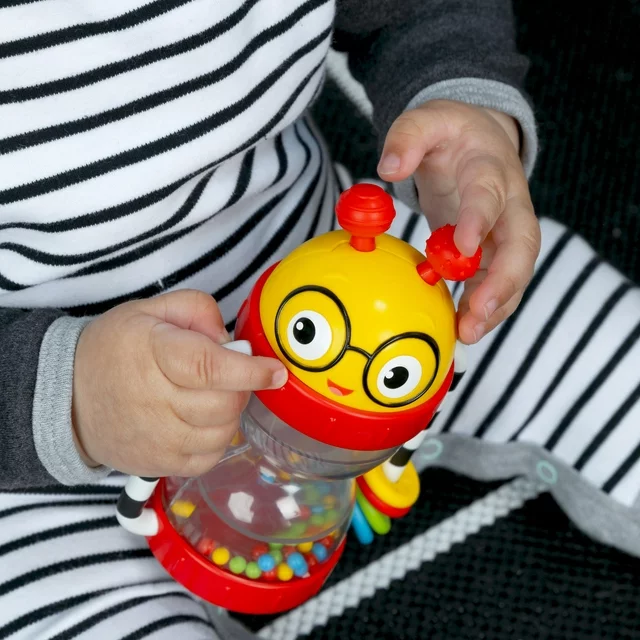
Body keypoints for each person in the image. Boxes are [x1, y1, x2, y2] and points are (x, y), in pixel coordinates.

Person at [0, 1, 638, 638]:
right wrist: (73, 400)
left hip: (375, 298)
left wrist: (466, 103)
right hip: (44, 459)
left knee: (587, 346)